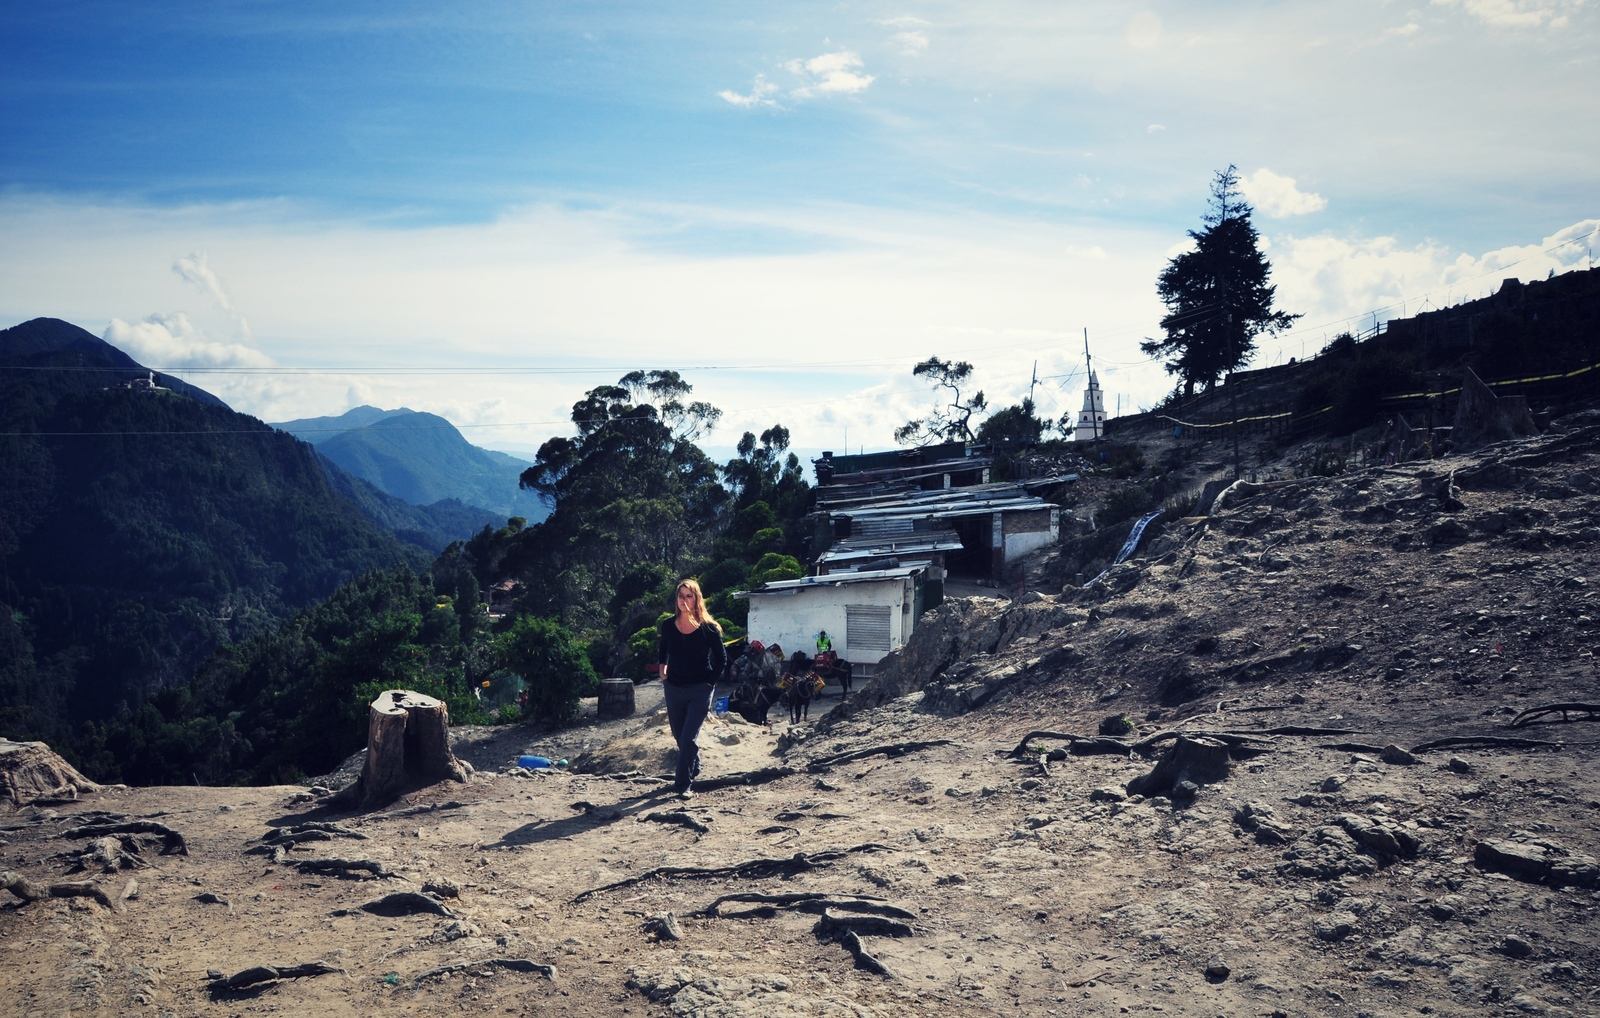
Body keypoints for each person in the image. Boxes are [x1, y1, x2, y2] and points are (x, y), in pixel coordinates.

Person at [657, 578, 727, 799]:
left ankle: (683, 785)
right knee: (680, 737)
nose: (684, 600)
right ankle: (693, 762)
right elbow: (663, 649)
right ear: (676, 599)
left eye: (689, 596)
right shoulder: (668, 625)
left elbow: (721, 660)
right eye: (681, 596)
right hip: (674, 688)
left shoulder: (709, 629)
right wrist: (662, 670)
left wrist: (710, 683)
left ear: (697, 599)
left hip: (700, 689)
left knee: (688, 738)